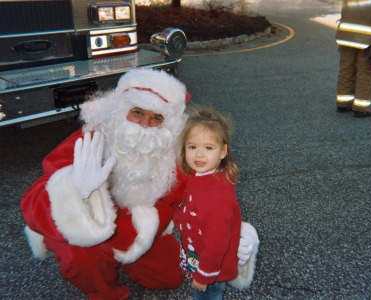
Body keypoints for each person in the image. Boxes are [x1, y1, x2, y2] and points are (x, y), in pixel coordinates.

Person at [20, 69, 259, 300]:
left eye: (157, 118)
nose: (145, 124)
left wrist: (231, 233)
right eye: (137, 112)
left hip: (139, 231)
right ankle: (103, 292)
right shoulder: (90, 140)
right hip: (92, 230)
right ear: (119, 110)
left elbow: (202, 197)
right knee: (81, 257)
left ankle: (124, 261)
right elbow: (32, 202)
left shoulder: (174, 153)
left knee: (169, 278)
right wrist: (77, 190)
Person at [174, 107, 246, 299]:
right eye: (192, 147)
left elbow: (217, 241)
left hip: (210, 268)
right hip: (199, 253)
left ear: (223, 151)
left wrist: (204, 275)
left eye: (208, 148)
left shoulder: (216, 194)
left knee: (207, 296)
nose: (199, 155)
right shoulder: (203, 176)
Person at [335, 0, 371, 118]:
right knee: (366, 72)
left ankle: (343, 103)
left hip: (345, 34)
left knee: (346, 69)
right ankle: (361, 108)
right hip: (368, 38)